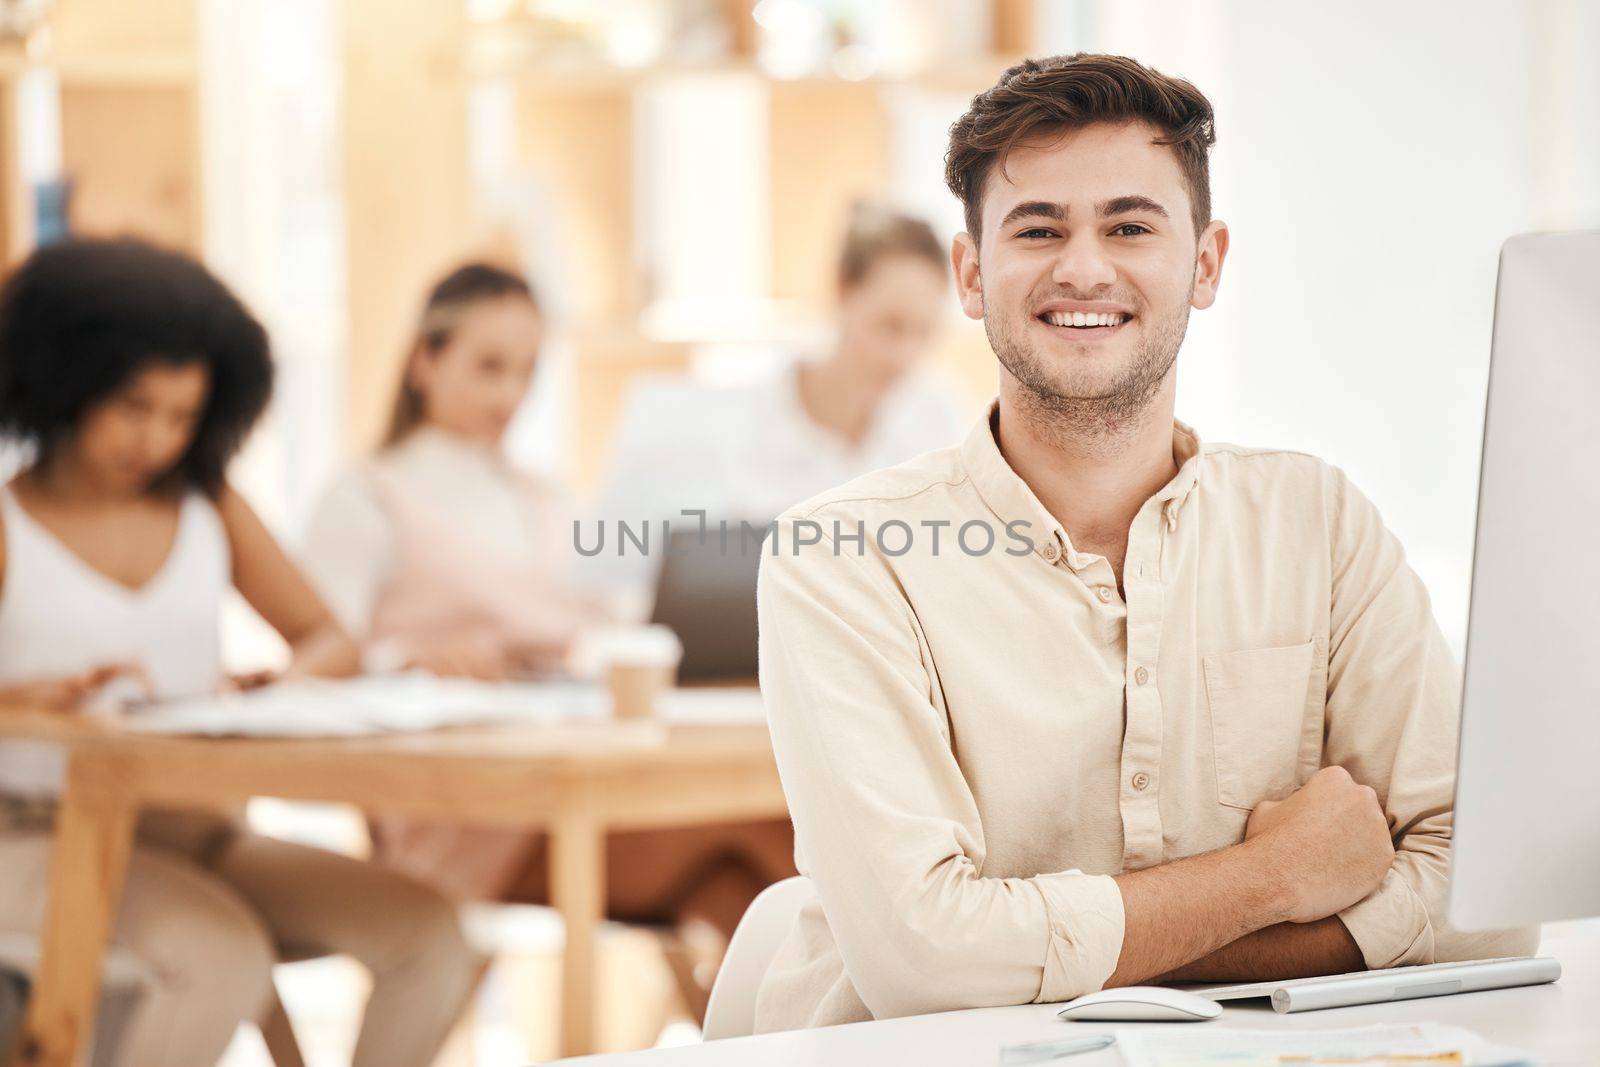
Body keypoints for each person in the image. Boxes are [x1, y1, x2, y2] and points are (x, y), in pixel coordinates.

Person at [753, 53, 1537, 1033]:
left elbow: (1486, 904)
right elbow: (925, 962)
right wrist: (1274, 877)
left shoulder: (1317, 522)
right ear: (971, 272)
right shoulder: (841, 557)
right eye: (1038, 229)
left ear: (1205, 264)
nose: (1084, 266)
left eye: (1129, 225)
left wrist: (1082, 949)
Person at [0, 238, 482, 1067]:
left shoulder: (209, 507)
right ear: (67, 384)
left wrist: (279, 690)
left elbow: (330, 636)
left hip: (198, 832)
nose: (155, 438)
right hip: (37, 838)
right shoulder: (11, 526)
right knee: (218, 958)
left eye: (182, 415)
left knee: (432, 936)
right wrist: (25, 702)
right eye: (133, 406)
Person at [300, 264, 794, 996]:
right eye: (488, 366)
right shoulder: (365, 497)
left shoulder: (548, 498)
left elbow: (593, 623)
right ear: (423, 360)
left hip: (582, 769)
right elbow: (315, 660)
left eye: (526, 371)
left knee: (741, 900)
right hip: (472, 810)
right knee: (777, 828)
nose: (509, 394)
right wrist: (405, 660)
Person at [595, 203, 966, 590]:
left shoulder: (936, 420)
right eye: (889, 326)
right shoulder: (731, 422)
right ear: (842, 291)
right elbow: (617, 575)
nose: (904, 357)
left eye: (924, 333)